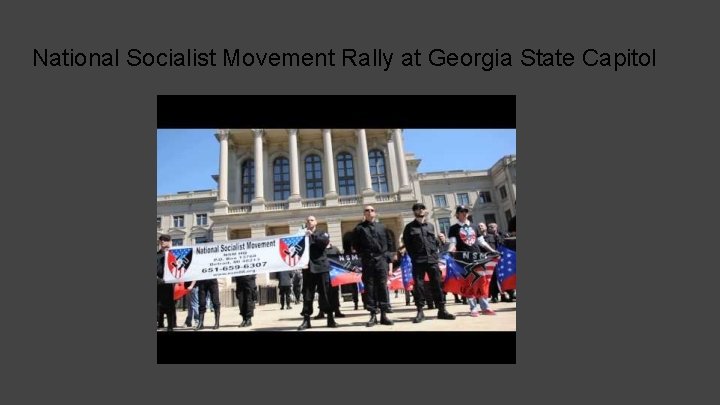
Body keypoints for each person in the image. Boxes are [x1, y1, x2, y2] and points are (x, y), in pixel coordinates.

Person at [403, 203, 456, 323]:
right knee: (419, 286)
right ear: (414, 212)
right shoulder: (409, 227)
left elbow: (434, 243)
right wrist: (415, 258)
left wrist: (435, 256)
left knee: (437, 284)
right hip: (418, 261)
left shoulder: (431, 226)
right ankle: (420, 311)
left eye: (422, 208)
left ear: (425, 210)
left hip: (432, 260)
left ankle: (442, 310)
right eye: (417, 208)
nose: (420, 210)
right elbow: (408, 245)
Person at [447, 205, 498, 317]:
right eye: (461, 211)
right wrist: (449, 251)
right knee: (469, 283)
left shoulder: (474, 226)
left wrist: (493, 250)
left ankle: (485, 307)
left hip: (478, 257)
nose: (464, 213)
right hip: (464, 259)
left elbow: (481, 242)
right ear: (457, 214)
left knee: (482, 281)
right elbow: (453, 242)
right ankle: (473, 308)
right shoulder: (453, 228)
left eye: (466, 211)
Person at [352, 205, 395, 327]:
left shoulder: (382, 227)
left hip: (381, 260)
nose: (370, 212)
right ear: (364, 214)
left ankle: (384, 314)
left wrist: (387, 257)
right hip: (368, 260)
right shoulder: (359, 228)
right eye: (367, 210)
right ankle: (372, 314)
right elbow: (355, 244)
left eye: (372, 210)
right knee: (369, 287)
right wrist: (365, 254)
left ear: (375, 213)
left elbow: (389, 243)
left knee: (382, 286)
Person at [298, 216, 338, 330]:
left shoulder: (322, 233)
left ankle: (330, 318)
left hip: (321, 268)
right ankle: (306, 320)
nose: (309, 222)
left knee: (325, 293)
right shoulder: (302, 235)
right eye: (307, 220)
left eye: (311, 220)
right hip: (308, 269)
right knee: (307, 295)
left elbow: (324, 242)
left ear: (315, 222)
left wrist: (312, 234)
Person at [156, 234, 176, 332]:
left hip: (170, 284)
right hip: (158, 284)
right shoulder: (157, 255)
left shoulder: (174, 254)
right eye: (161, 240)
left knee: (170, 306)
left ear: (169, 242)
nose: (163, 242)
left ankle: (170, 326)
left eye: (165, 240)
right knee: (158, 305)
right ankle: (160, 323)